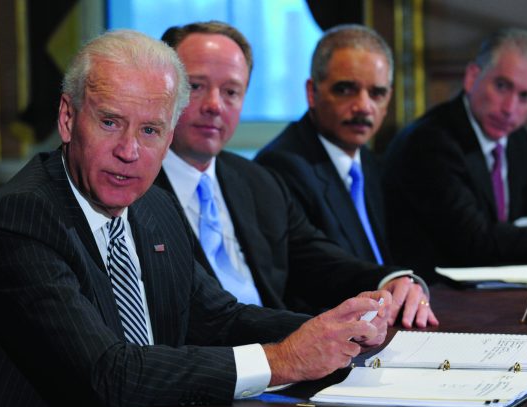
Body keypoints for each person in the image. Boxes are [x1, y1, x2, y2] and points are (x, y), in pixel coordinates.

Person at [0, 30, 390, 407]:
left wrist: (330, 334)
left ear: (169, 137)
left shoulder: (154, 207)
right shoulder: (20, 220)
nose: (129, 151)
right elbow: (110, 374)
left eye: (149, 130)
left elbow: (219, 319)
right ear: (68, 120)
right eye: (110, 122)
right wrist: (283, 360)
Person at [158, 21, 436, 327]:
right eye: (196, 86)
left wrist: (390, 281)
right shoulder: (135, 190)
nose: (214, 105)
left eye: (231, 91)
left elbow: (320, 261)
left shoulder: (256, 182)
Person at [382, 28, 527, 279]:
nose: (509, 109)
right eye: (502, 86)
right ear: (472, 77)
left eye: (525, 96)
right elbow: (473, 242)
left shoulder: (517, 140)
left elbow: (524, 222)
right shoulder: (429, 141)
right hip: (434, 297)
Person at [256, 24, 394, 267]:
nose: (363, 106)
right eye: (345, 90)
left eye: (376, 93)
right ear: (312, 92)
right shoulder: (280, 167)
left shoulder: (371, 164)